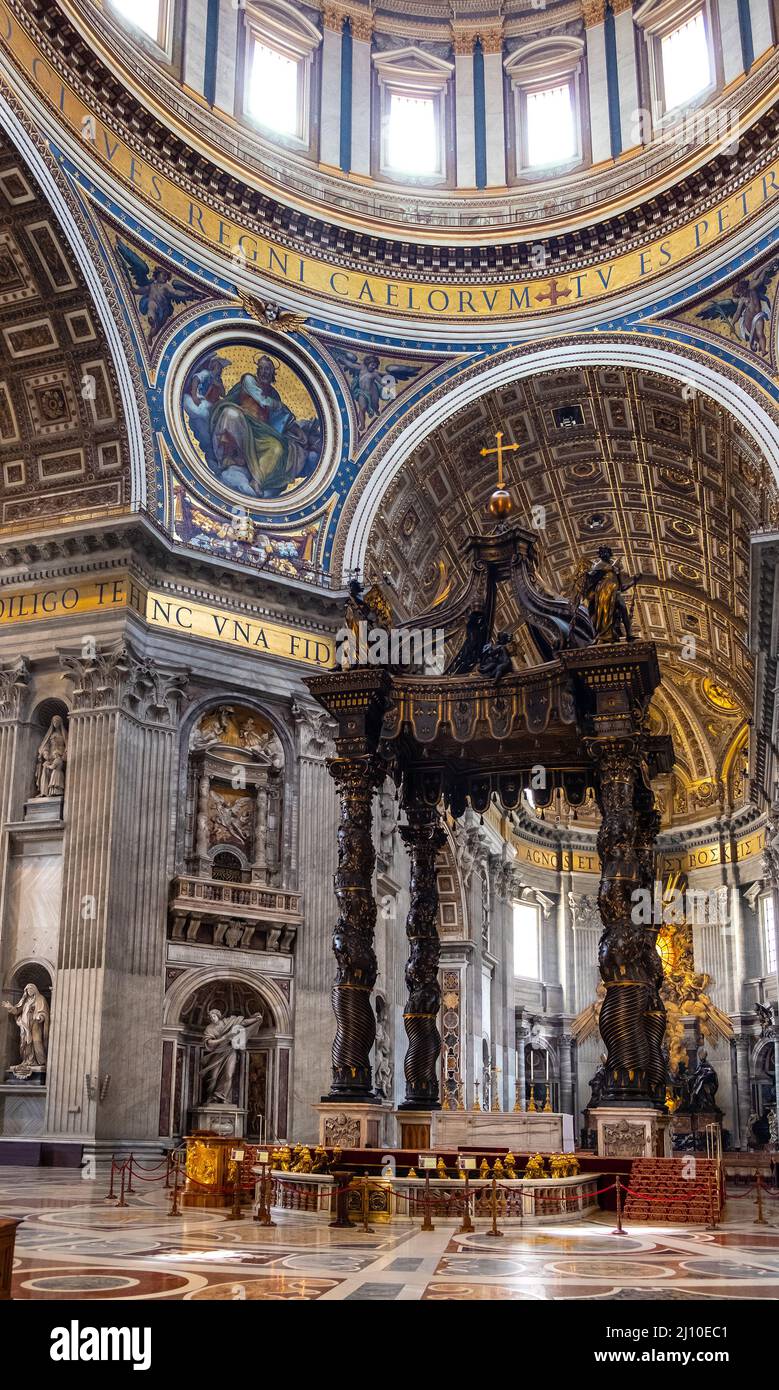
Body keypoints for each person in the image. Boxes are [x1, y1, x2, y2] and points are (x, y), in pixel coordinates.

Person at [200, 1006, 263, 1104]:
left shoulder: (228, 1022)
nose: (213, 1018)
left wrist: (255, 1019)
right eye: (211, 1017)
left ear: (218, 1016)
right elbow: (209, 1043)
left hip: (230, 1051)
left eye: (214, 1016)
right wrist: (223, 1038)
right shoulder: (209, 1028)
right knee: (213, 1077)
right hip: (217, 1053)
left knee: (229, 1075)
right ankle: (211, 1097)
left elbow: (243, 1023)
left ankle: (222, 1097)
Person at [3, 983, 49, 1075]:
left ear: (35, 990)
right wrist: (11, 1008)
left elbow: (44, 1011)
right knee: (24, 1043)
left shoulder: (40, 999)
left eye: (31, 989)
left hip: (35, 1025)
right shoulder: (25, 1000)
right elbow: (17, 1010)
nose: (29, 991)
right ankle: (27, 1060)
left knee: (36, 1042)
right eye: (27, 990)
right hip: (24, 1026)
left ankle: (39, 1062)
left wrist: (40, 1016)